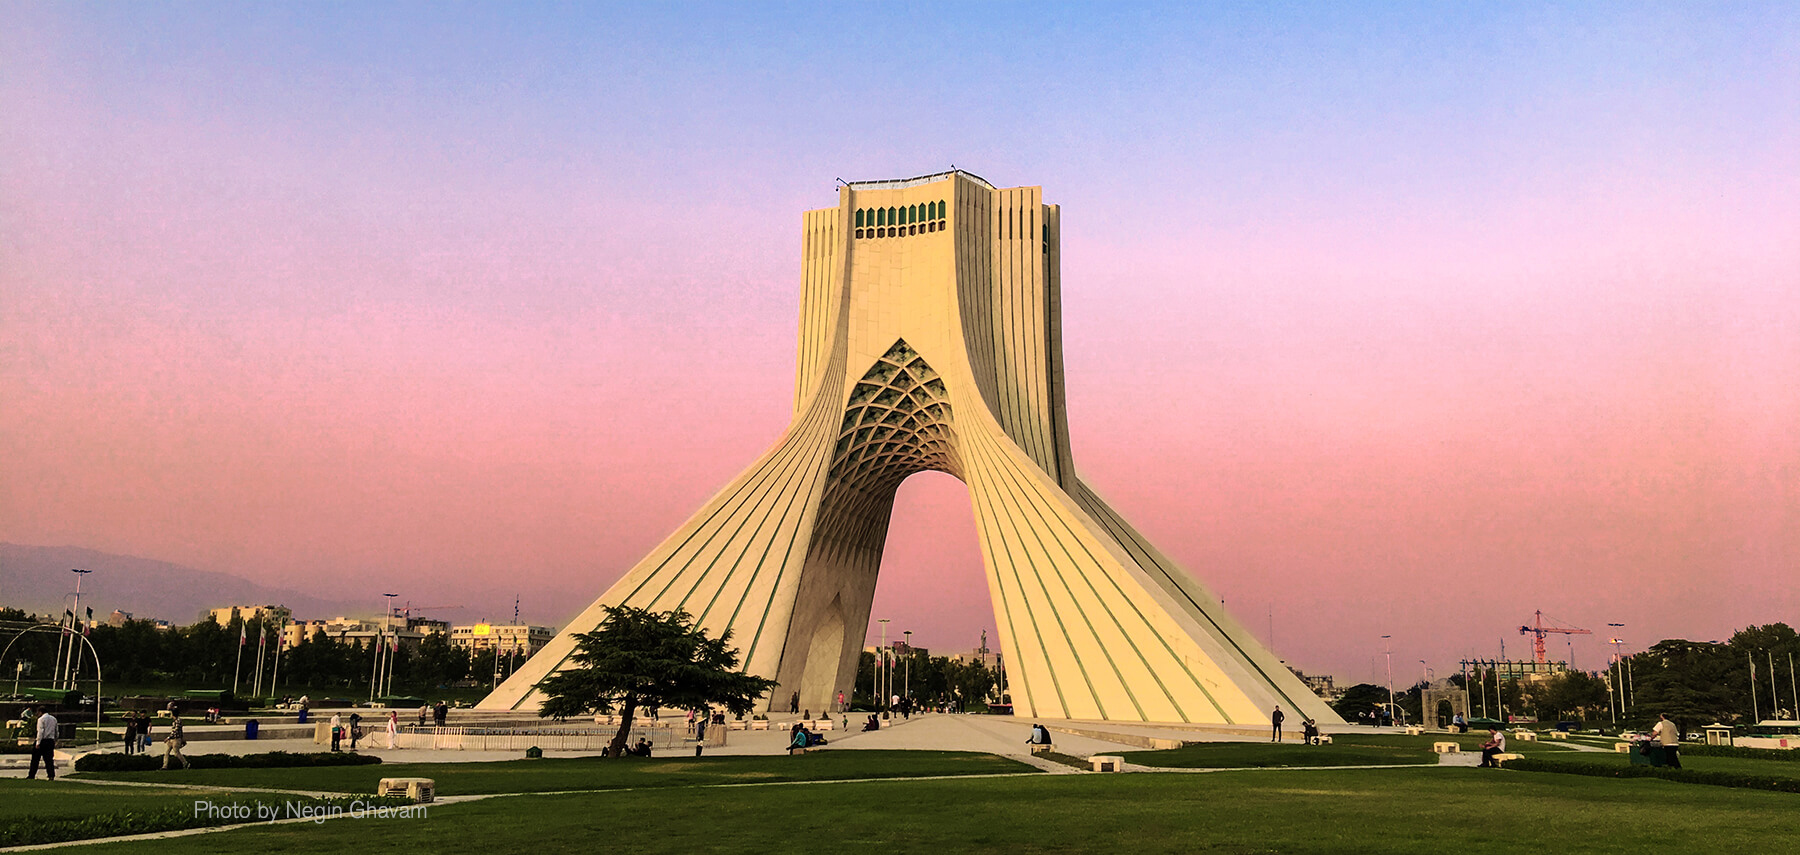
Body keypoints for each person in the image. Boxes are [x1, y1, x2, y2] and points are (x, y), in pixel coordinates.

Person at [26, 706, 57, 780]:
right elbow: (56, 730)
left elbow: (40, 731)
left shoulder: (41, 719)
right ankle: (51, 775)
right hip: (50, 740)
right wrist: (55, 740)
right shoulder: (54, 719)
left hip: (43, 741)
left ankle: (31, 775)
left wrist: (38, 742)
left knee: (35, 760)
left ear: (40, 712)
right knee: (49, 760)